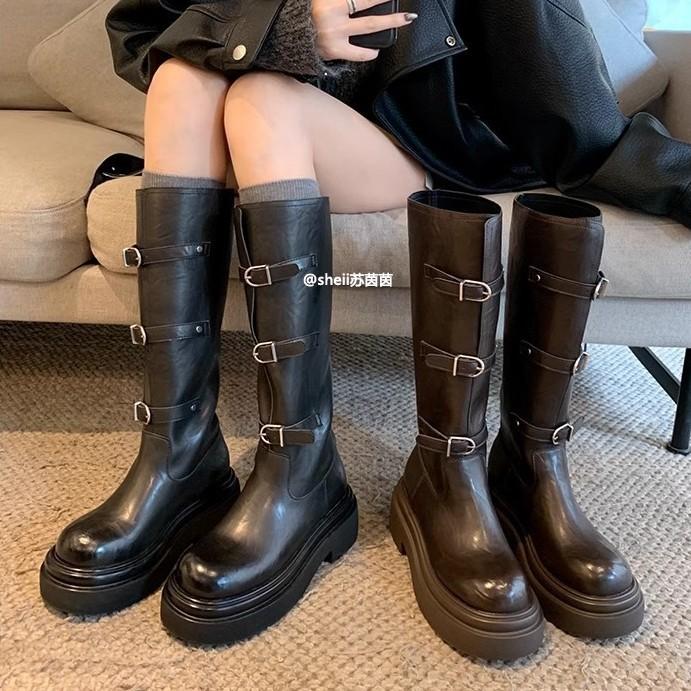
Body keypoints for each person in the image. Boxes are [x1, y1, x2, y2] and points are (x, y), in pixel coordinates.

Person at [39, 0, 686, 658]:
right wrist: (280, 28)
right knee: (182, 78)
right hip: (224, 124)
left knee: (263, 99)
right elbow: (139, 31)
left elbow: (567, 100)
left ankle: (301, 469)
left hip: (385, 143)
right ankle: (178, 456)